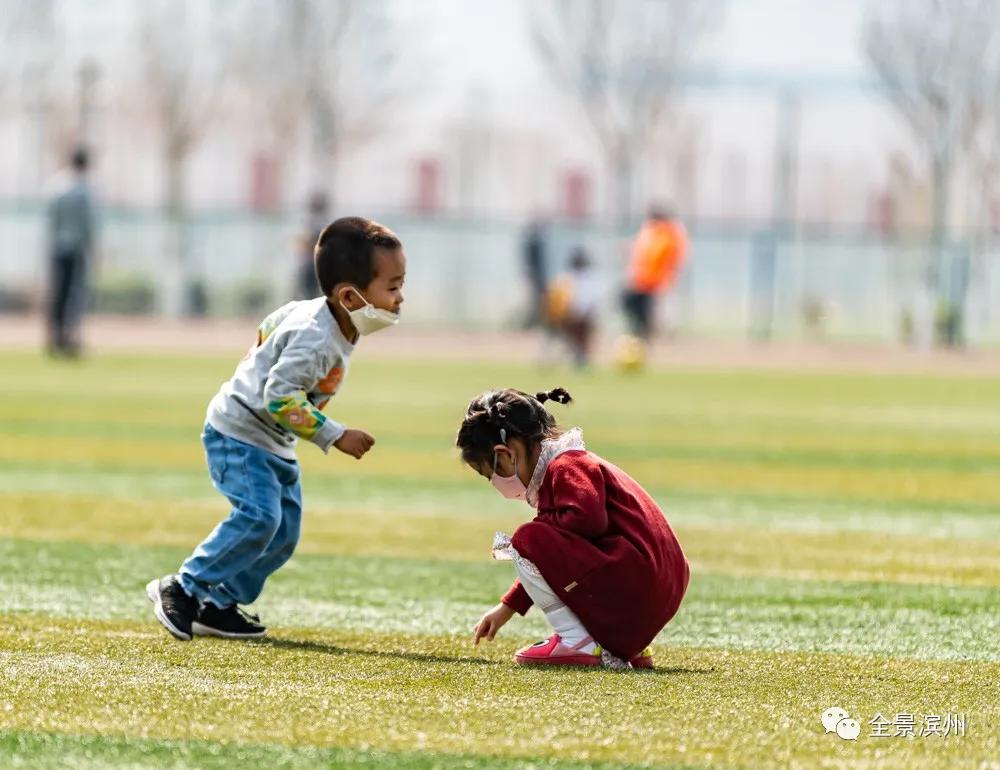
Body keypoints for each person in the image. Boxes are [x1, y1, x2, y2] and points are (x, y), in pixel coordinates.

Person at [147, 217, 406, 641]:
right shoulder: (316, 338)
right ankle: (184, 587)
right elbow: (280, 399)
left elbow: (270, 326)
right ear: (349, 295)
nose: (399, 299)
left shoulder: (330, 319)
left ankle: (219, 603)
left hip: (274, 441)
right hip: (239, 433)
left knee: (283, 533)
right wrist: (335, 434)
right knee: (259, 517)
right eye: (392, 287)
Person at [457, 387, 689, 669]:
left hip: (639, 582)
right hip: (655, 588)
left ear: (505, 454)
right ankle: (626, 645)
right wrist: (507, 607)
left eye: (489, 473)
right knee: (535, 539)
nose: (494, 482)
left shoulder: (567, 466)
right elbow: (554, 559)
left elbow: (587, 520)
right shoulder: (569, 463)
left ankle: (577, 642)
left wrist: (533, 536)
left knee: (528, 537)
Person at [47, 146, 97, 356]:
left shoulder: (57, 186)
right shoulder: (84, 190)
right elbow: (89, 224)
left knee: (58, 294)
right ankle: (71, 339)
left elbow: (51, 219)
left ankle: (55, 339)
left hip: (58, 247)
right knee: (74, 295)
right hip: (76, 249)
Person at [622, 208, 688, 340]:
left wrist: (667, 279)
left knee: (657, 312)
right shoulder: (650, 233)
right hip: (642, 280)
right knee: (632, 304)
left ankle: (651, 333)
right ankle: (641, 331)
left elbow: (670, 259)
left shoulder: (668, 234)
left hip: (657, 281)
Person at [546, 247, 599, 368]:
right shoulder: (567, 278)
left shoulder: (568, 278)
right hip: (566, 317)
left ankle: (579, 357)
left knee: (579, 338)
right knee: (572, 338)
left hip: (578, 317)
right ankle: (577, 356)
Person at [296, 191, 329, 298]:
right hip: (311, 264)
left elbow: (310, 241)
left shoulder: (319, 222)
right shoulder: (312, 221)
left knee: (311, 295)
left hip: (314, 265)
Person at [522, 220, 549, 328]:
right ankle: (533, 322)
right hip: (536, 276)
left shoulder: (536, 243)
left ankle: (538, 321)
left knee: (540, 301)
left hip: (538, 276)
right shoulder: (534, 243)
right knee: (537, 301)